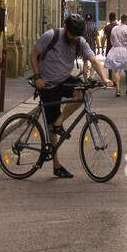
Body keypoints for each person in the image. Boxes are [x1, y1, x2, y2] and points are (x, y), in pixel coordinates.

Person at [29, 14, 112, 178]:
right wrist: (37, 77)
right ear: (65, 29)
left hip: (64, 79)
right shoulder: (51, 36)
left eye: (76, 35)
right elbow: (33, 54)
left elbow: (94, 60)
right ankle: (56, 165)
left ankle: (60, 122)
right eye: (71, 34)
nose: (73, 38)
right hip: (47, 83)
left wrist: (104, 78)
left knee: (83, 92)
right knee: (51, 128)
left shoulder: (79, 41)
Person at [105, 13, 127, 96]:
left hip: (116, 50)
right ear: (126, 20)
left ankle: (118, 89)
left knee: (117, 70)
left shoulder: (115, 28)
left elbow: (111, 40)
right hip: (126, 50)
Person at [102, 12, 118, 76]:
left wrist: (102, 48)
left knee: (110, 63)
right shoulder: (118, 27)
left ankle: (111, 78)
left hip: (109, 47)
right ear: (115, 18)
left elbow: (104, 38)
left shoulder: (107, 27)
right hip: (117, 48)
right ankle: (116, 78)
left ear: (109, 18)